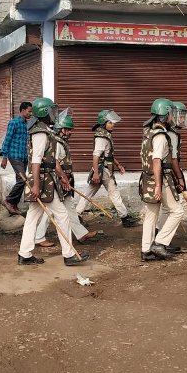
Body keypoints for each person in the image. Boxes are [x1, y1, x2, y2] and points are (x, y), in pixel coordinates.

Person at [17, 97, 88, 266]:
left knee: (32, 218)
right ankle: (69, 254)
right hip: (42, 182)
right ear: (44, 112)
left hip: (45, 179)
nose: (53, 114)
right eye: (51, 111)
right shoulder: (41, 132)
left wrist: (61, 174)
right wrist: (35, 185)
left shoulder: (43, 130)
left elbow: (50, 159)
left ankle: (24, 254)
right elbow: (36, 160)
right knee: (62, 215)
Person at [34, 114, 98, 247]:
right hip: (57, 182)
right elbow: (55, 162)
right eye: (67, 130)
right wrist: (62, 177)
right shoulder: (56, 143)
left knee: (69, 207)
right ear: (59, 129)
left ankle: (81, 234)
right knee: (51, 210)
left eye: (70, 130)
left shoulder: (61, 142)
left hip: (64, 181)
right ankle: (39, 237)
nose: (70, 132)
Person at [75, 109, 140, 228]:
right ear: (104, 122)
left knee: (89, 193)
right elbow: (96, 156)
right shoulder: (101, 137)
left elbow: (108, 155)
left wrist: (118, 165)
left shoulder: (105, 135)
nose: (113, 124)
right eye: (110, 122)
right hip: (102, 170)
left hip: (103, 169)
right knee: (113, 193)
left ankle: (77, 214)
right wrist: (95, 173)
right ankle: (125, 217)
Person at [140, 98, 185, 261]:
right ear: (165, 115)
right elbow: (157, 161)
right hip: (159, 178)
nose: (175, 117)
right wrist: (159, 185)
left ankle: (146, 251)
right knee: (177, 211)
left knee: (151, 215)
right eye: (172, 114)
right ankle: (159, 243)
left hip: (147, 179)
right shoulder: (160, 136)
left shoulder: (149, 133)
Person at [154, 101, 187, 252]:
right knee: (176, 210)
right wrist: (180, 178)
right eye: (179, 116)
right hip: (166, 174)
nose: (181, 119)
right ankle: (160, 242)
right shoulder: (171, 135)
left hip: (161, 174)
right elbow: (173, 160)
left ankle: (158, 236)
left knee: (167, 209)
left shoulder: (158, 131)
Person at [0, 102, 33, 215]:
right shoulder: (14, 122)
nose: (30, 113)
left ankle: (14, 205)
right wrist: (4, 157)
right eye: (29, 111)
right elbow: (7, 140)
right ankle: (9, 200)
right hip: (14, 155)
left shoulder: (27, 124)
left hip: (24, 156)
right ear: (23, 110)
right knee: (22, 180)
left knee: (21, 180)